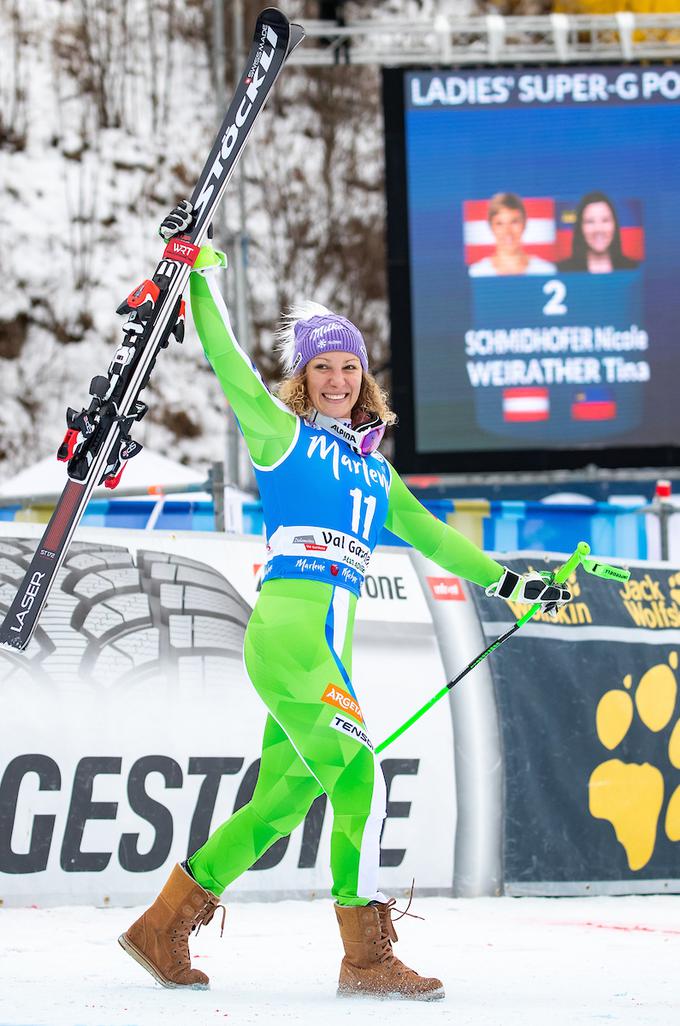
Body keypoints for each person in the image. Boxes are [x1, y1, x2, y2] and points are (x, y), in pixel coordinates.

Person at [118, 199, 571, 1000]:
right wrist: (198, 278)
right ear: (305, 379)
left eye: (349, 367)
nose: (336, 378)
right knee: (358, 772)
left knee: (283, 803)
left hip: (325, 648)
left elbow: (432, 537)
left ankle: (160, 926)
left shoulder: (373, 472)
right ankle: (364, 958)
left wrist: (508, 580)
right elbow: (227, 365)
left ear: (365, 379)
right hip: (290, 635)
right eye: (322, 367)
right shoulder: (281, 436)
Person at [468, 192, 556, 277]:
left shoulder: (545, 271)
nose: (507, 232)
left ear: (524, 224)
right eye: (500, 223)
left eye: (514, 222)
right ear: (491, 227)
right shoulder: (477, 272)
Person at [558, 192, 639, 273]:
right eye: (590, 221)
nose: (598, 229)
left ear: (615, 225)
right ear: (580, 227)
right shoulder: (563, 270)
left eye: (605, 220)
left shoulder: (633, 267)